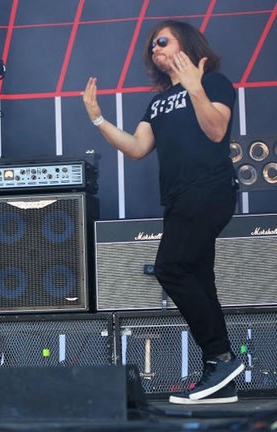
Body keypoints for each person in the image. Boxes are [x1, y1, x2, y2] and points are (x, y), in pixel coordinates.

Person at [82, 20, 244, 405]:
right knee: (200, 279)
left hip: (209, 190)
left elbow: (217, 130)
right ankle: (221, 377)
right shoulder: (157, 102)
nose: (154, 50)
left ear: (185, 44)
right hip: (177, 200)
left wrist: (195, 89)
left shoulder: (215, 83)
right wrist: (97, 119)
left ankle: (221, 358)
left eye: (161, 42)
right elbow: (137, 147)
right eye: (152, 46)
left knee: (171, 268)